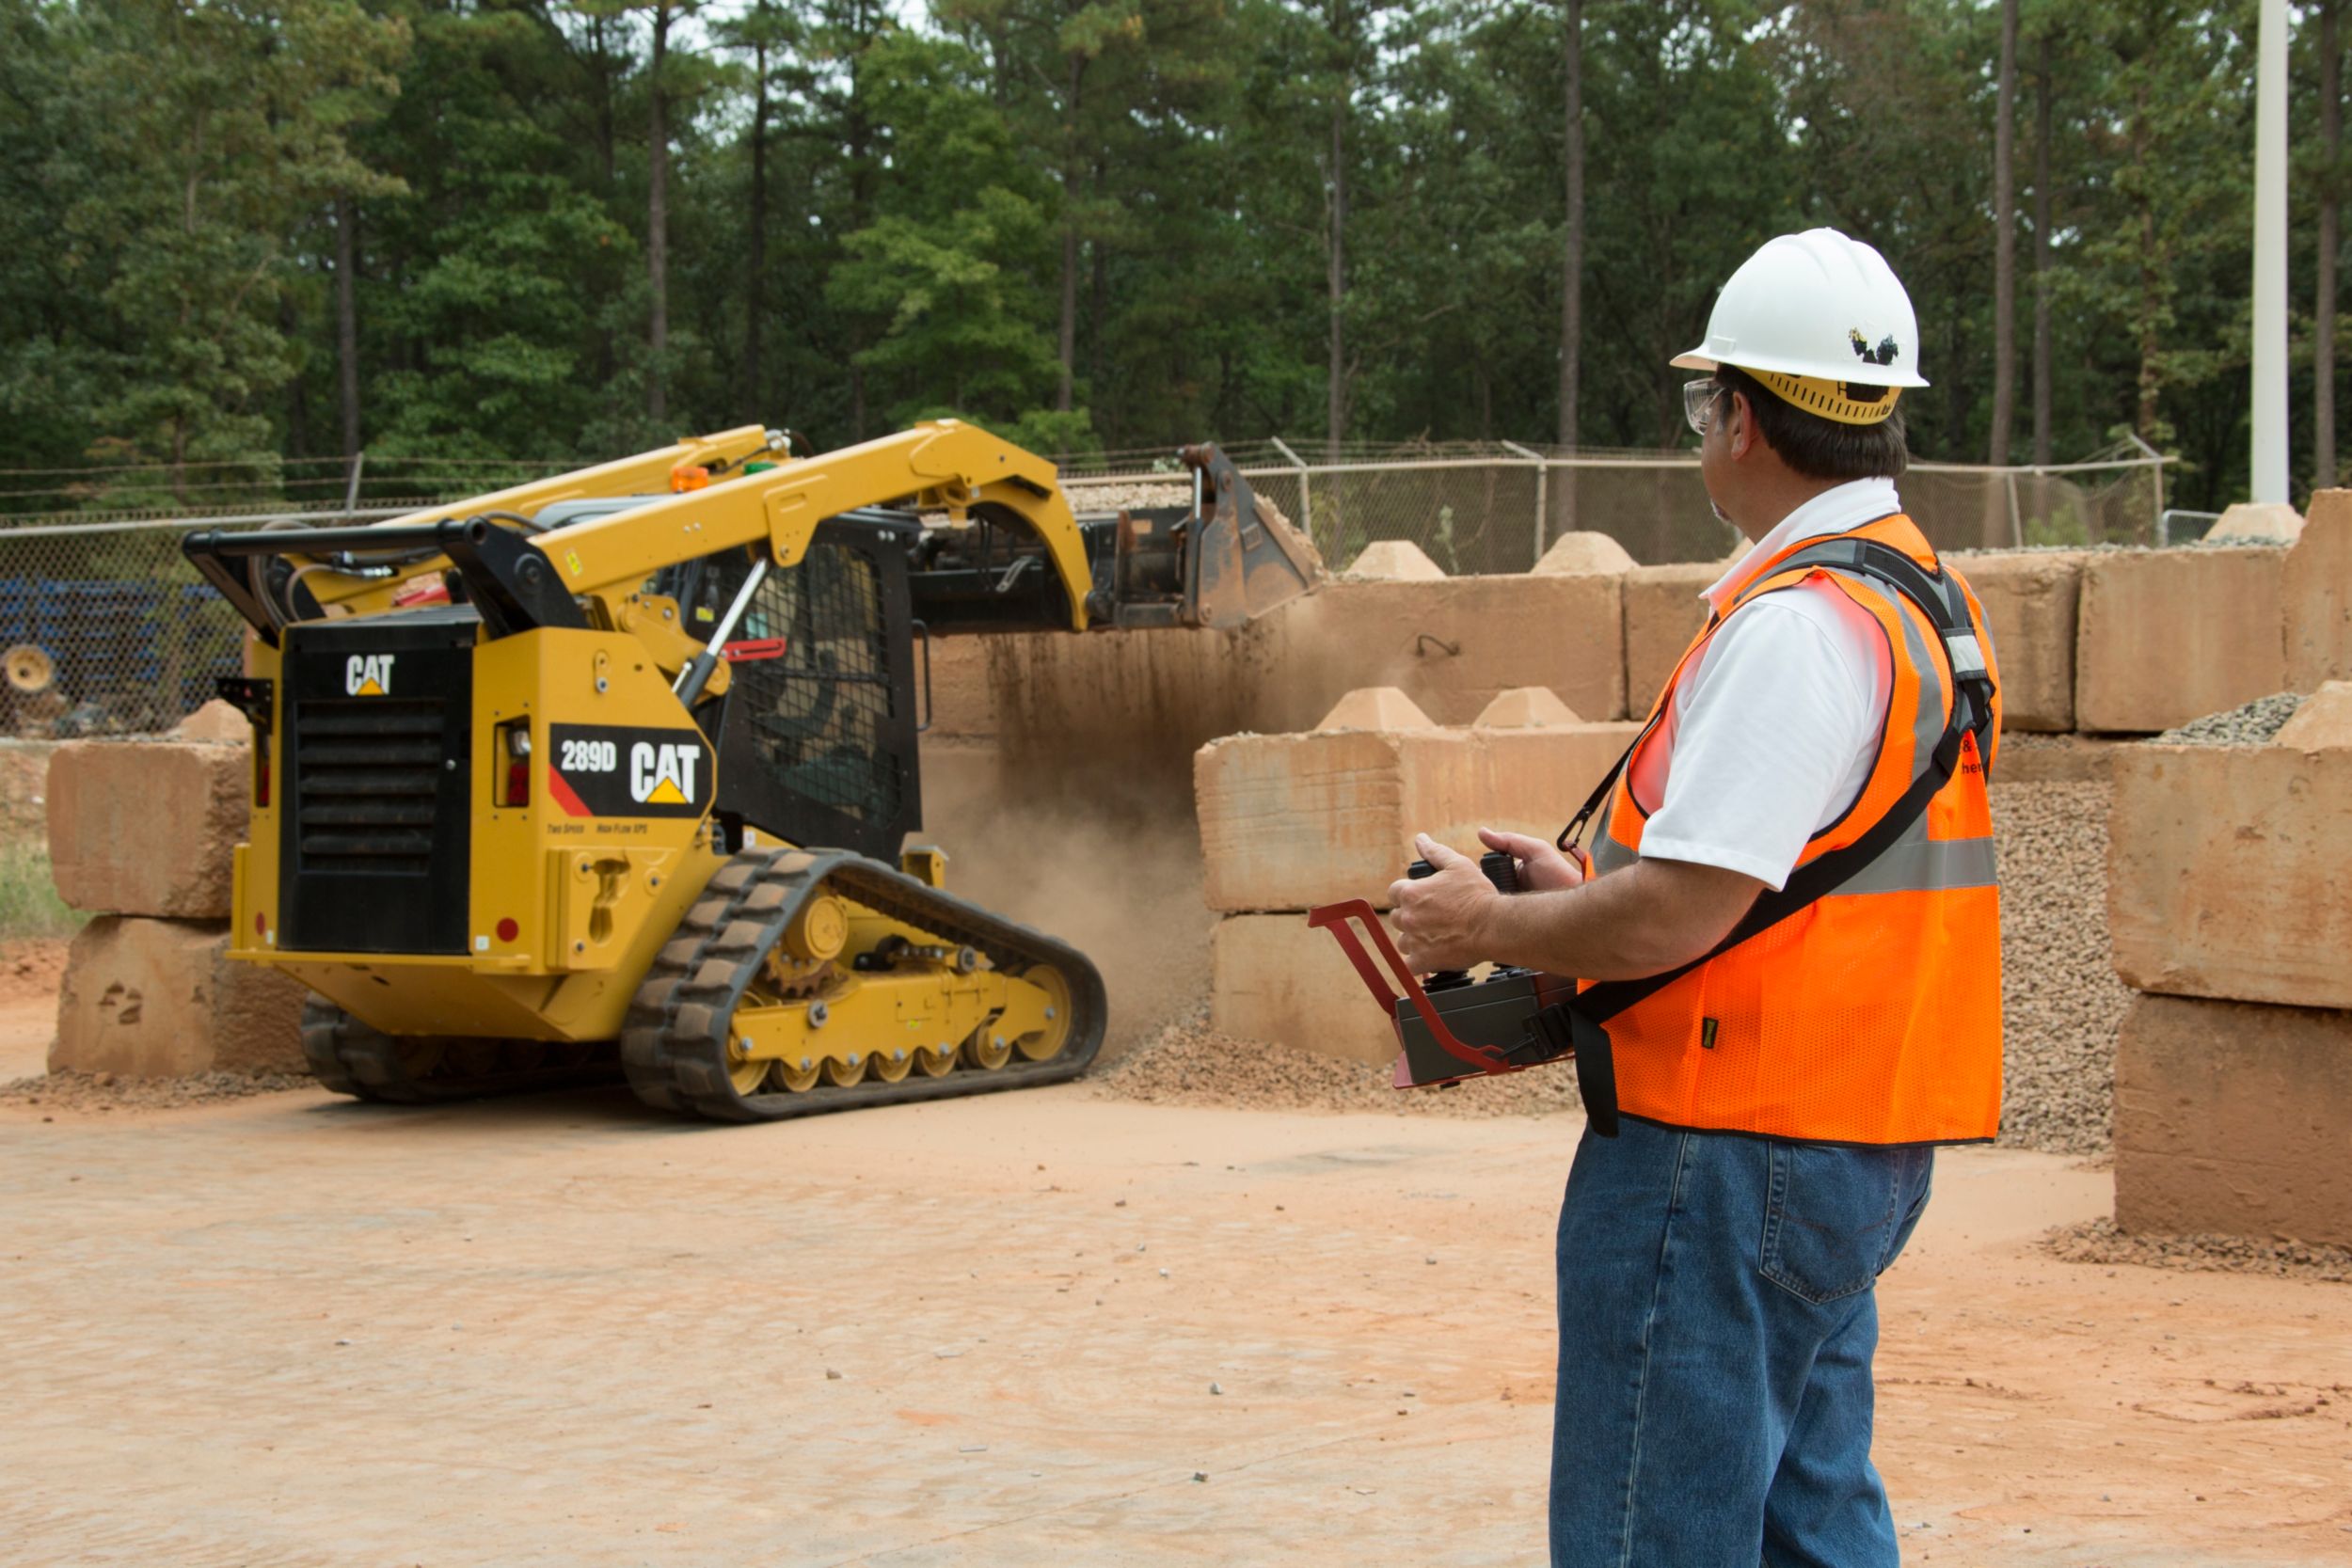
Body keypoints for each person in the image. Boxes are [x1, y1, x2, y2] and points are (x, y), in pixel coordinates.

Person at [1388, 228, 2004, 1568]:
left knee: (1654, 1537)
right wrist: (1584, 892)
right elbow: (1796, 882)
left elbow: (1677, 917)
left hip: (1724, 1153)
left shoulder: (1796, 624)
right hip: (1852, 1131)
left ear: (1737, 415)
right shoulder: (1922, 602)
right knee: (1808, 1520)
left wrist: (1487, 925)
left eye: (1700, 404)